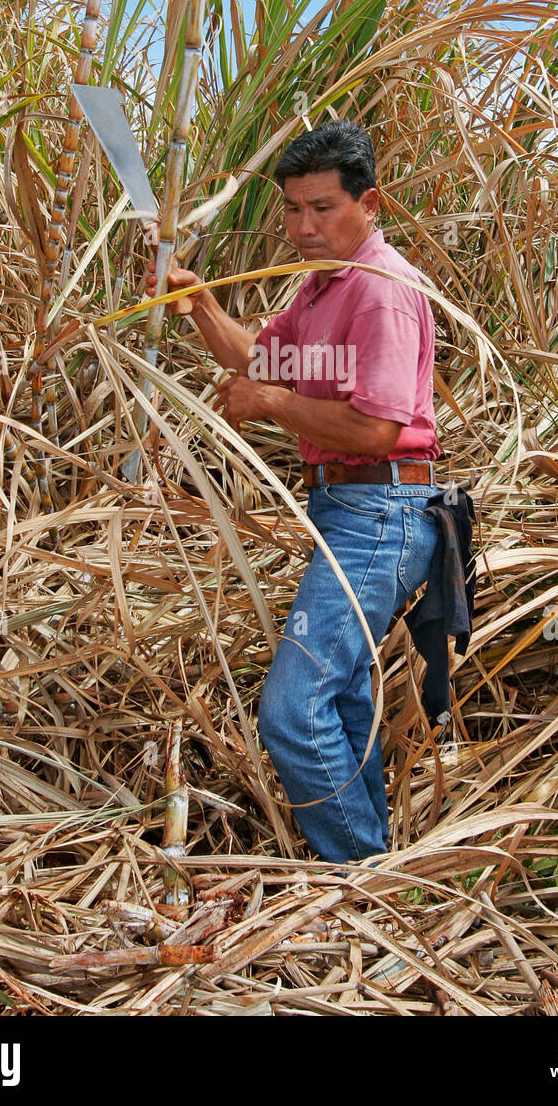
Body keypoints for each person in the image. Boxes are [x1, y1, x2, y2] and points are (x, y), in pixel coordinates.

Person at [167, 119, 440, 862]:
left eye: (323, 208)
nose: (304, 226)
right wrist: (199, 304)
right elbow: (261, 357)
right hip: (346, 509)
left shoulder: (378, 293)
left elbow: (379, 430)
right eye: (293, 209)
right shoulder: (324, 291)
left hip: (380, 510)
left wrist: (272, 406)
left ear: (369, 203)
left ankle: (359, 875)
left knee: (294, 708)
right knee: (340, 696)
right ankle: (372, 857)